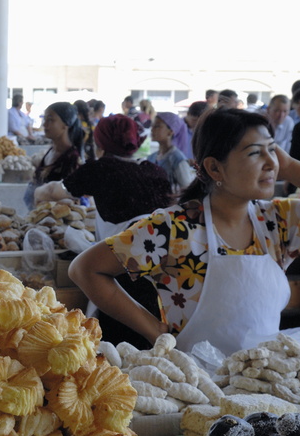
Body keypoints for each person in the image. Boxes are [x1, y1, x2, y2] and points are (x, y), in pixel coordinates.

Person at [68, 108, 300, 355]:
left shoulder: (279, 221)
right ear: (215, 169)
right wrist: (152, 330)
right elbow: (85, 269)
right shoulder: (173, 229)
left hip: (269, 382)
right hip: (197, 390)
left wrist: (291, 167)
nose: (270, 163)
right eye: (255, 153)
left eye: (272, 151)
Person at [35, 114, 174, 348]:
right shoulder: (155, 170)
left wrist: (39, 192)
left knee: (119, 357)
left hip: (120, 279)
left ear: (100, 142)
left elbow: (55, 192)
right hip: (163, 283)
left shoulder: (101, 169)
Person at [23, 101, 83, 209]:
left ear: (65, 125)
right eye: (45, 119)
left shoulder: (72, 159)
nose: (45, 124)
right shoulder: (50, 152)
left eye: (50, 120)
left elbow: (72, 202)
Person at [147, 112, 195, 192]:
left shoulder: (178, 160)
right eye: (152, 126)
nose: (152, 129)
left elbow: (187, 190)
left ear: (170, 132)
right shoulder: (152, 157)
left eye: (157, 126)